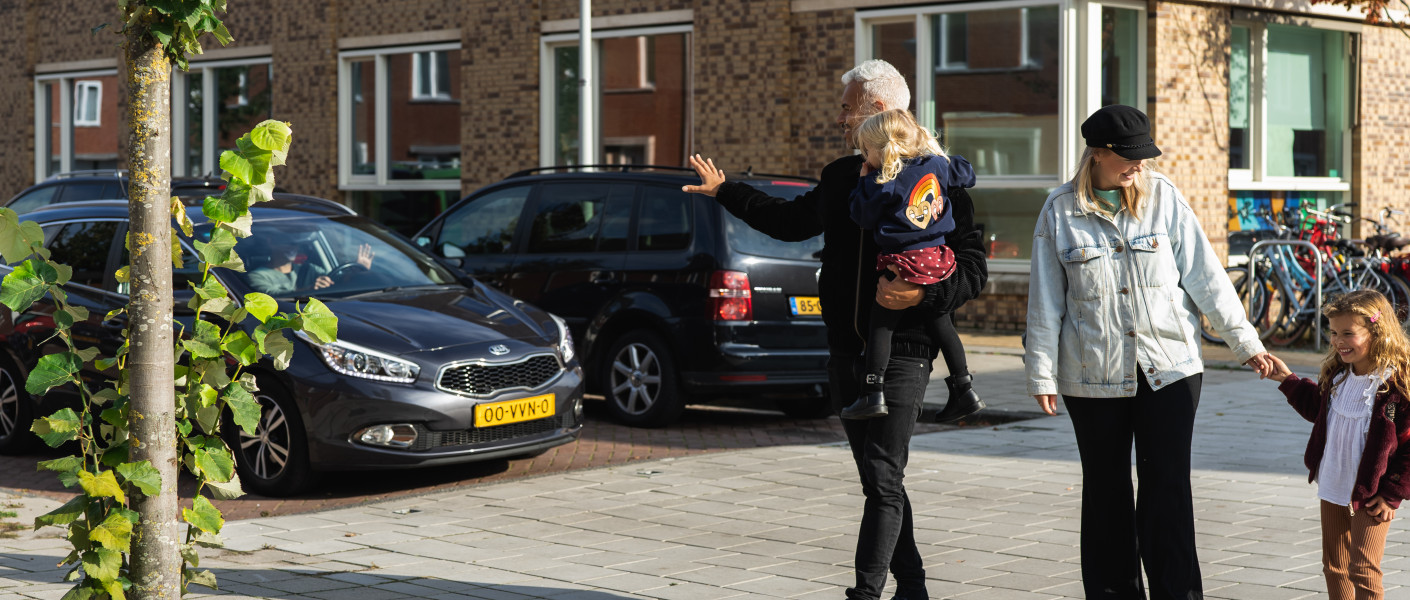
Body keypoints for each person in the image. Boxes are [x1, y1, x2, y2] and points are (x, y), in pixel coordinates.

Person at [681, 59, 988, 600]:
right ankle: (913, 588)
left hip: (905, 352)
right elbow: (789, 221)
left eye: (846, 108)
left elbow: (971, 268)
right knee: (880, 482)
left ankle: (866, 593)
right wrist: (726, 190)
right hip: (846, 353)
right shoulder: (844, 176)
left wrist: (921, 293)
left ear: (877, 109)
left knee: (882, 476)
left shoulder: (937, 173)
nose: (839, 119)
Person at [1025, 104, 1274, 599]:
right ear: (1097, 154)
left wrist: (1246, 344)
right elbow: (1046, 301)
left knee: (1167, 490)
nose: (1138, 165)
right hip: (1091, 372)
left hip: (1170, 368)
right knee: (1106, 493)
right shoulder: (1059, 212)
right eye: (1128, 157)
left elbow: (1207, 277)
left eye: (1143, 155)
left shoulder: (1164, 198)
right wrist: (1041, 374)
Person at [1261, 290, 1410, 600]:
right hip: (1333, 483)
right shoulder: (1338, 377)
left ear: (1376, 331)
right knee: (1335, 566)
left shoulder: (1394, 387)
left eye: (1348, 333)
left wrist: (1392, 494)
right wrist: (1286, 378)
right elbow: (1318, 410)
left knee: (1363, 568)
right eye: (1332, 332)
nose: (1338, 340)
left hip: (1373, 492)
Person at [842, 108, 981, 422]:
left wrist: (864, 181)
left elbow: (861, 216)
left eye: (865, 151)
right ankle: (964, 388)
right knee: (942, 324)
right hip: (939, 259)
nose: (864, 157)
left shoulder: (886, 180)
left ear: (879, 150)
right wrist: (934, 153)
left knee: (880, 325)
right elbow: (967, 173)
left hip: (904, 261)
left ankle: (872, 392)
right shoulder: (936, 165)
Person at [246, 242, 374, 296]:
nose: (293, 247)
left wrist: (357, 273)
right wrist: (310, 289)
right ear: (272, 244)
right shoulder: (257, 276)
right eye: (287, 243)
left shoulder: (308, 269)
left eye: (295, 244)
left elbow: (335, 281)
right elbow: (273, 297)